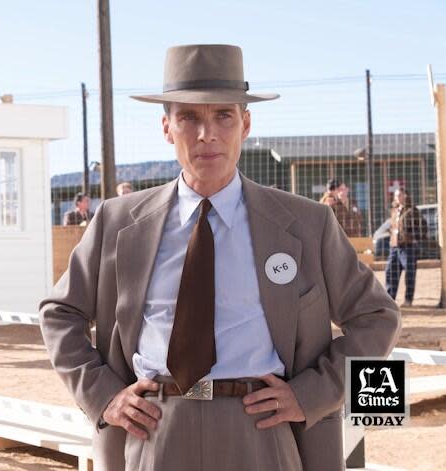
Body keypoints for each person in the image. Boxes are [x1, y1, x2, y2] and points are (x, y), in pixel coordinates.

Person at [40, 44, 400, 471]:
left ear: (245, 124)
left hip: (262, 433)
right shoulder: (118, 223)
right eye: (189, 117)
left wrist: (310, 394)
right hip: (153, 432)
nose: (205, 134)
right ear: (166, 127)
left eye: (222, 116)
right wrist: (103, 396)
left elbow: (377, 318)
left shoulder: (306, 224)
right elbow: (59, 313)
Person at [385, 187, 427, 307]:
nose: (397, 198)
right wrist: (392, 234)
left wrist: (415, 238)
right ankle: (389, 299)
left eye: (400, 195)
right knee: (390, 272)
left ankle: (408, 300)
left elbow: (423, 227)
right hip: (394, 247)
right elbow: (393, 227)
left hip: (408, 248)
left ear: (406, 196)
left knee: (409, 273)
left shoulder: (412, 211)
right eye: (396, 195)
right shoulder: (394, 210)